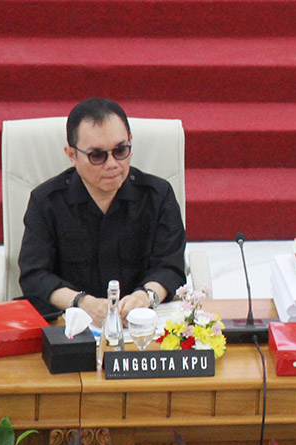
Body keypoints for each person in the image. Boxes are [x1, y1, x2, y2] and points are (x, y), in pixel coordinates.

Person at [18, 97, 186, 322]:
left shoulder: (158, 195)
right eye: (97, 155)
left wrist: (144, 297)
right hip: (71, 326)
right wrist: (81, 302)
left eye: (120, 150)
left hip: (142, 324)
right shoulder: (46, 201)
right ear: (72, 155)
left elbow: (171, 267)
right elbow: (34, 275)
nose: (112, 164)